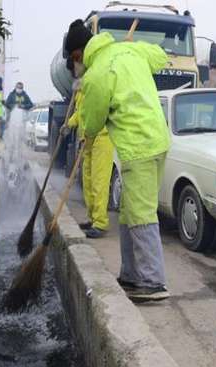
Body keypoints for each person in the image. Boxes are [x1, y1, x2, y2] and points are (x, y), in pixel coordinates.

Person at [65, 19, 171, 302]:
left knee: (141, 213)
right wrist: (135, 49)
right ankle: (131, 275)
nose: (77, 68)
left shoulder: (97, 73)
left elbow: (93, 120)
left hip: (139, 146)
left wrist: (84, 128)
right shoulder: (130, 53)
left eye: (74, 62)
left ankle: (153, 282)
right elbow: (161, 57)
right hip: (157, 140)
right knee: (127, 210)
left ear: (78, 55)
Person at [67, 83, 114, 239]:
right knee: (87, 182)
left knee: (98, 182)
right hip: (86, 139)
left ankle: (100, 223)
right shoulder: (80, 91)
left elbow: (94, 110)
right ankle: (92, 218)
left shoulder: (93, 84)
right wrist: (68, 124)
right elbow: (81, 112)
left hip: (101, 137)